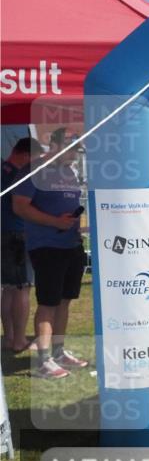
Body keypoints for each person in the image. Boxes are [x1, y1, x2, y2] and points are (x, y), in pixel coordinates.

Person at [12, 144, 89, 379]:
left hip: (71, 244)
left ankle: (58, 351)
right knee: (48, 302)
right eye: (73, 148)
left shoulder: (70, 172)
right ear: (57, 146)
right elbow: (20, 206)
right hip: (46, 245)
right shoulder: (34, 170)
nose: (76, 153)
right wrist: (55, 222)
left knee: (65, 301)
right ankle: (43, 361)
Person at [2, 138, 38, 352]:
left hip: (5, 234)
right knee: (22, 288)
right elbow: (22, 207)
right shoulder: (16, 175)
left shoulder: (3, 170)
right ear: (24, 155)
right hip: (16, 235)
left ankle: (9, 337)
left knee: (8, 289)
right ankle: (19, 340)